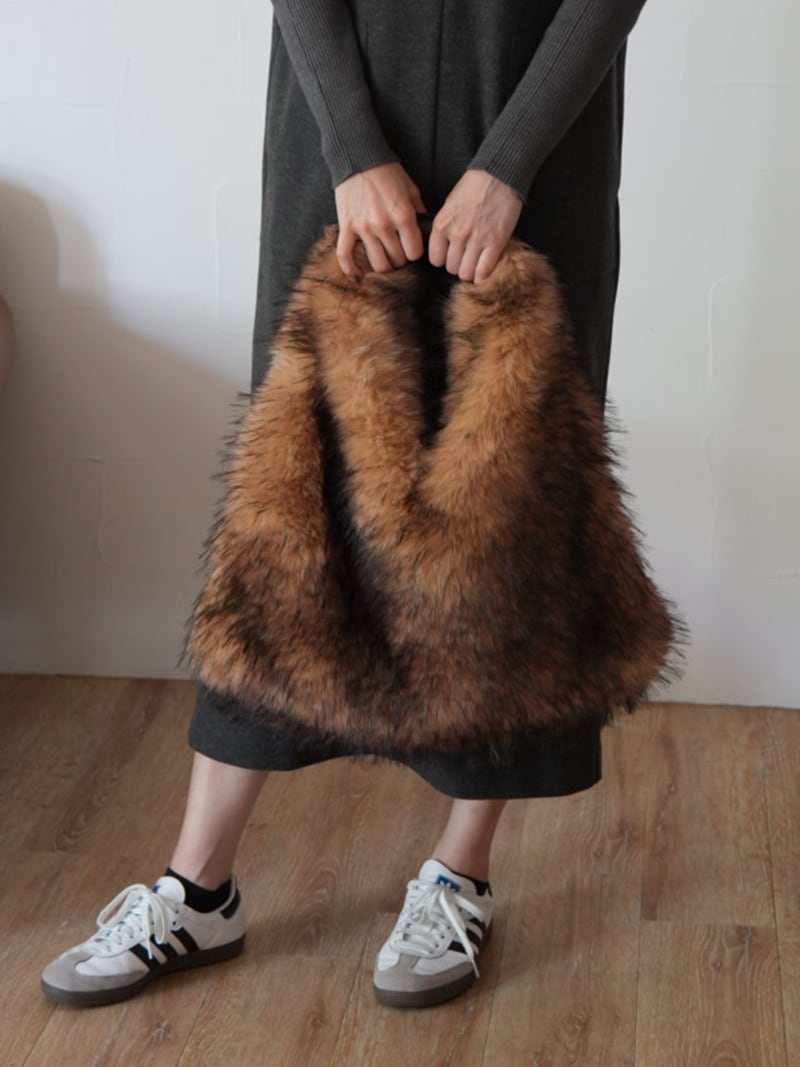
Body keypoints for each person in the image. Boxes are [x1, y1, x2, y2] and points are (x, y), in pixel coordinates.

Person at [41, 0, 648, 1011]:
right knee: (291, 512)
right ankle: (198, 887)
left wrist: (508, 165)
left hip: (533, 150)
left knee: (508, 512)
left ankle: (458, 871)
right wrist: (352, 148)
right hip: (339, 144)